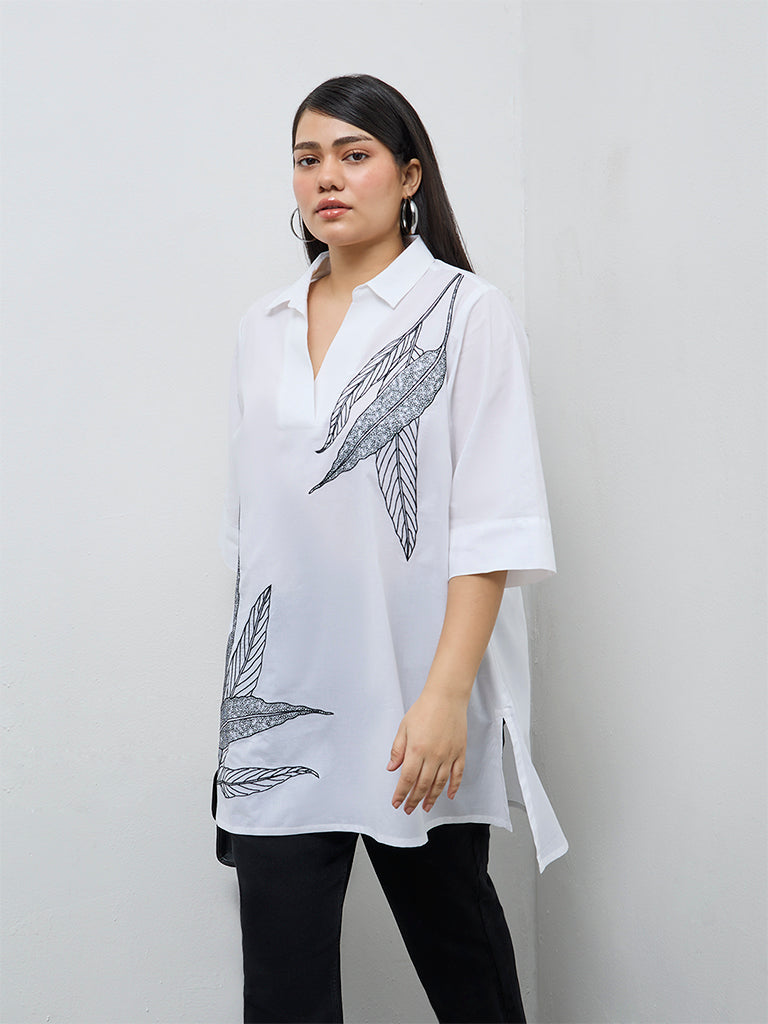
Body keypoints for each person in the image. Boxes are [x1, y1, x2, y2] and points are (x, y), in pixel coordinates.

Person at [212, 74, 567, 1024]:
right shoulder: (262, 328)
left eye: (354, 154)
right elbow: (254, 539)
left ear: (409, 175)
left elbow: (491, 525)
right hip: (279, 717)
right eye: (308, 159)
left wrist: (446, 700)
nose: (326, 177)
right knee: (282, 995)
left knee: (465, 972)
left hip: (416, 702)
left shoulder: (463, 313)